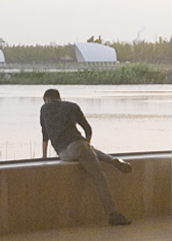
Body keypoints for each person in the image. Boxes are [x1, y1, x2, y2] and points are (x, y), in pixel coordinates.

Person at [39, 87, 130, 225]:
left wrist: (44, 157)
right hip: (79, 144)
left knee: (87, 151)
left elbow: (45, 136)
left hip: (63, 153)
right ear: (59, 97)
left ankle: (111, 159)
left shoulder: (44, 109)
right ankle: (113, 214)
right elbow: (88, 129)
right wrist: (86, 145)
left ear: (47, 99)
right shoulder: (72, 106)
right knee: (99, 177)